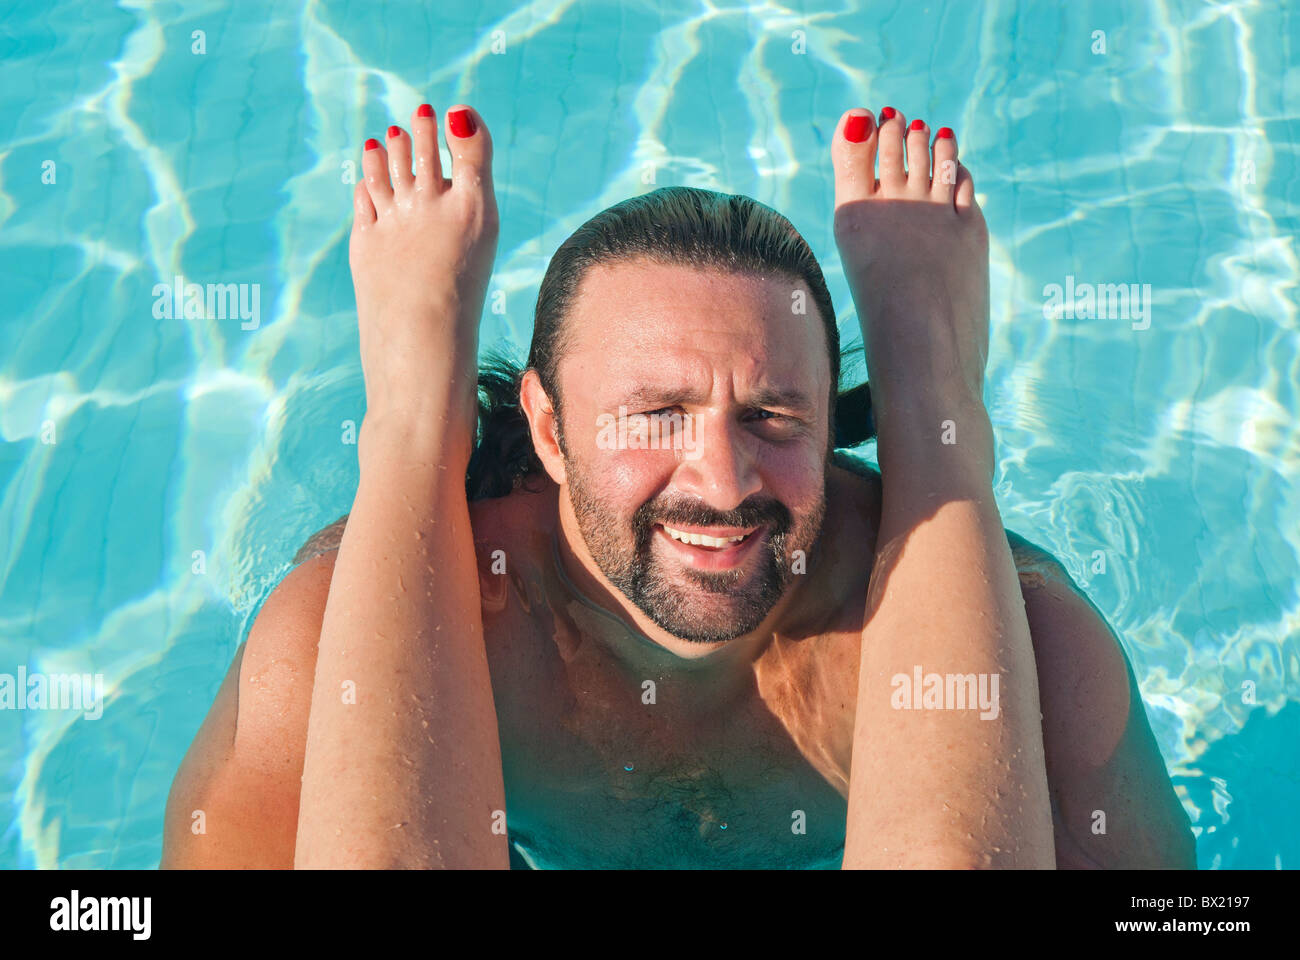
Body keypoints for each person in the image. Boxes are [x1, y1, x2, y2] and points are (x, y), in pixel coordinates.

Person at [161, 103, 1195, 869]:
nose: (723, 479)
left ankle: (933, 391)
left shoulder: (1025, 648)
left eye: (773, 416)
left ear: (836, 428)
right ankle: (410, 418)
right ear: (550, 431)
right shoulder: (353, 641)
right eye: (654, 414)